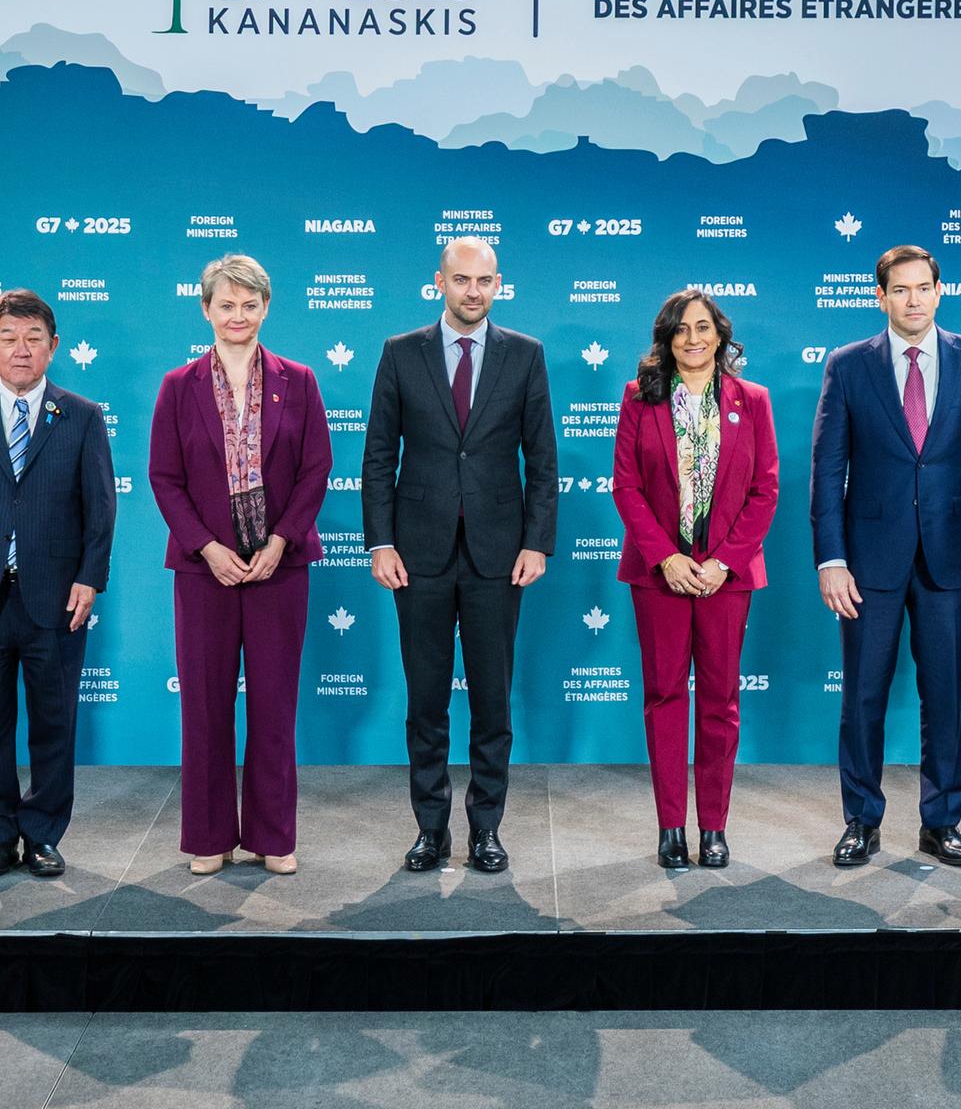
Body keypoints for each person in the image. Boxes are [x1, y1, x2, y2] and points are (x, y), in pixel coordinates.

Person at [811, 245, 961, 869]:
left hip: (952, 558)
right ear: (880, 296)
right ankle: (861, 821)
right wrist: (831, 559)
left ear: (939, 290)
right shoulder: (848, 365)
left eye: (923, 287)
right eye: (900, 290)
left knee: (944, 695)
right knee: (863, 697)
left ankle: (941, 821)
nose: (913, 299)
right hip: (868, 562)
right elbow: (827, 470)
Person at [362, 238, 557, 874]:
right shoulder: (399, 352)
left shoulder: (525, 355)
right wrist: (381, 541)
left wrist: (536, 541)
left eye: (485, 281)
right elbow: (376, 457)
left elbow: (543, 461)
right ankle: (430, 830)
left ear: (499, 285)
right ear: (438, 282)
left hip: (499, 556)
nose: (473, 291)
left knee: (493, 703)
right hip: (416, 556)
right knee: (425, 701)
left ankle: (486, 831)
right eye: (461, 280)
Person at [149, 255, 331, 876]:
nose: (237, 315)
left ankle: (273, 836)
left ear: (266, 309)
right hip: (206, 571)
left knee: (275, 706)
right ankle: (208, 837)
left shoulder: (299, 380)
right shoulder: (179, 386)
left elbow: (316, 470)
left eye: (249, 304)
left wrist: (282, 539)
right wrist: (205, 546)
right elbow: (164, 478)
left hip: (280, 567)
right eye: (225, 305)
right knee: (204, 707)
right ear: (205, 310)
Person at [613, 290, 778, 869]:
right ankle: (671, 829)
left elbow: (765, 491)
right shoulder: (640, 397)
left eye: (703, 327)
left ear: (720, 335)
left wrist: (721, 561)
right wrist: (667, 558)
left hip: (724, 578)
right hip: (660, 575)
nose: (692, 339)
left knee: (719, 701)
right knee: (662, 697)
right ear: (666, 337)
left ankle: (713, 827)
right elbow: (626, 487)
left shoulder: (751, 400)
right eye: (681, 329)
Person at [0, 289, 115, 878]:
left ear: (53, 348)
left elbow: (101, 508)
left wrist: (90, 580)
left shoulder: (83, 415)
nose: (21, 351)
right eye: (8, 339)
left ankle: (43, 834)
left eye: (33, 340)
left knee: (53, 722)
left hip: (56, 597)